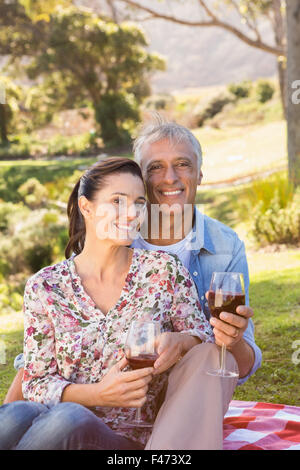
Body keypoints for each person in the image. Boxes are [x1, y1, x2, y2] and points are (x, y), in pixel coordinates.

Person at [0, 157, 216, 450]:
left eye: (139, 203)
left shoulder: (164, 271)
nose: (131, 214)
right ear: (85, 207)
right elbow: (35, 383)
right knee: (17, 414)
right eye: (117, 201)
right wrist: (98, 394)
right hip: (51, 427)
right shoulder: (45, 286)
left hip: (125, 438)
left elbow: (203, 337)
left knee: (70, 419)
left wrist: (179, 340)